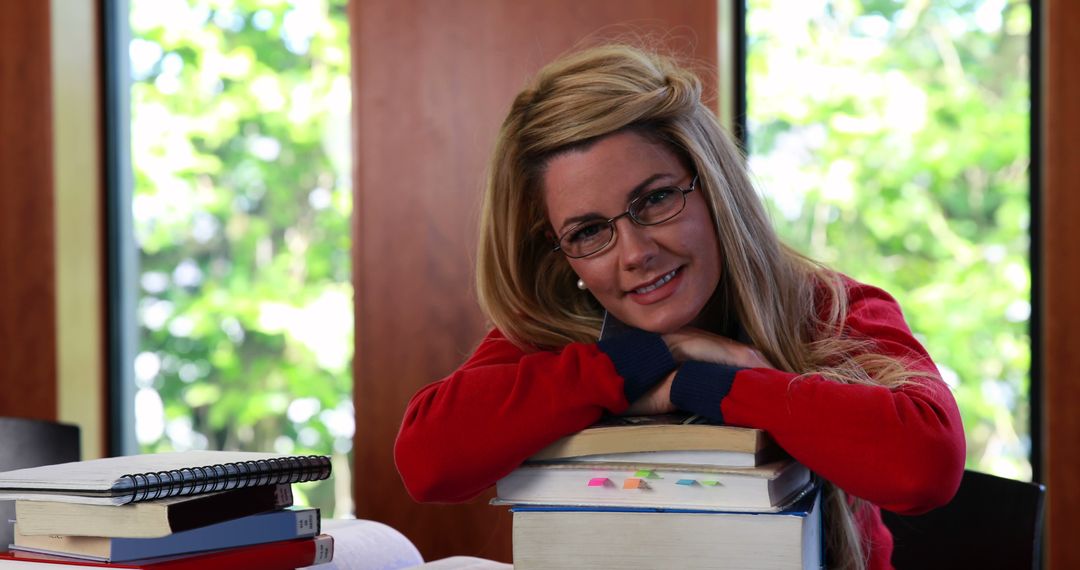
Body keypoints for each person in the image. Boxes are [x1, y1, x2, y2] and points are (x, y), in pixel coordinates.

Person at [394, 44, 965, 570]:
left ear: (712, 185)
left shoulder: (830, 309)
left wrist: (714, 385)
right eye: (590, 231)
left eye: (657, 198)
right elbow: (427, 462)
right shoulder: (561, 331)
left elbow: (926, 466)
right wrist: (642, 361)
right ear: (560, 251)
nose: (636, 253)